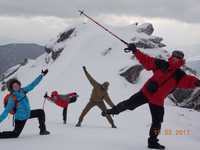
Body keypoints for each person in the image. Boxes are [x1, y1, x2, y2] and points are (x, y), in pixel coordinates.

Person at [102, 43, 200, 149]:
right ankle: (112, 111)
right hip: (146, 93)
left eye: (178, 58)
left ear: (181, 60)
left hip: (157, 101)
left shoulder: (179, 75)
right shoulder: (161, 64)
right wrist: (135, 51)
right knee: (128, 104)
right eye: (175, 56)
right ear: (172, 56)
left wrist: (197, 82)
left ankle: (152, 142)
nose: (176, 59)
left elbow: (189, 81)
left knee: (157, 122)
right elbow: (146, 60)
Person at [0, 69, 50, 139]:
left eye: (17, 85)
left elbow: (33, 84)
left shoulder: (23, 90)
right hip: (20, 118)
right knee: (15, 134)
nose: (16, 86)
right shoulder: (12, 98)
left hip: (27, 114)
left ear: (19, 85)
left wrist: (41, 75)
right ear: (12, 88)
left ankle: (43, 130)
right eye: (14, 86)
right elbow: (5, 112)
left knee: (40, 112)